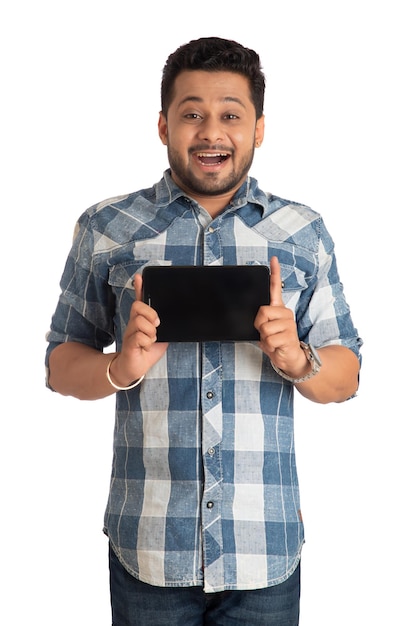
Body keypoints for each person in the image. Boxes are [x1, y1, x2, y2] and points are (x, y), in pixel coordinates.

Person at [45, 37, 362, 625]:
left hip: (264, 550)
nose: (211, 131)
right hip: (149, 548)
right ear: (163, 124)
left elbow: (346, 376)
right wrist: (120, 368)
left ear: (258, 129)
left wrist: (298, 359)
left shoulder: (302, 231)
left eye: (230, 115)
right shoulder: (108, 227)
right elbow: (61, 361)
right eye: (192, 113)